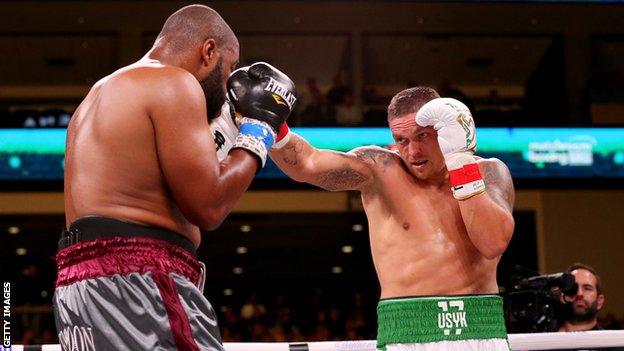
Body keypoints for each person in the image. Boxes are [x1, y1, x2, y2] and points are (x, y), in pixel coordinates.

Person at [55, 4, 296, 351]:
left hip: (78, 284)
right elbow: (209, 206)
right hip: (142, 278)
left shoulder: (100, 92)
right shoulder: (175, 82)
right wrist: (258, 131)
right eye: (228, 68)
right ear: (208, 50)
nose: (228, 82)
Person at [263, 87, 515, 350]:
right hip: (406, 331)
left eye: (422, 136)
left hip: (481, 327)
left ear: (445, 129)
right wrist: (270, 122)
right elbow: (308, 164)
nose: (413, 151)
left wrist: (460, 161)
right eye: (402, 140)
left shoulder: (490, 172)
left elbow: (492, 242)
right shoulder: (379, 170)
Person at [553, 263, 624, 351]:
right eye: (573, 288)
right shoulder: (540, 342)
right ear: (562, 297)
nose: (579, 294)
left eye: (587, 288)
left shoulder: (615, 345)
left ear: (599, 302)